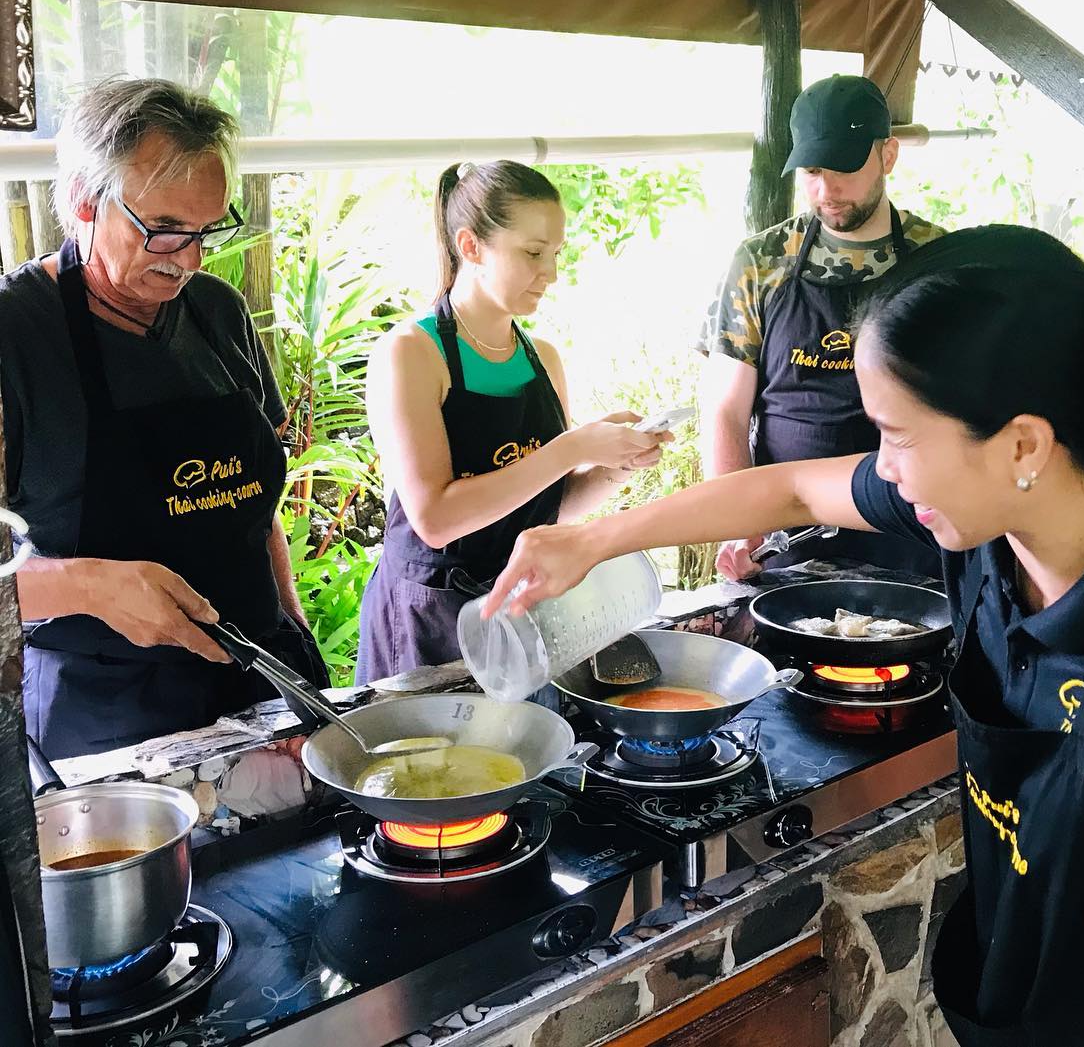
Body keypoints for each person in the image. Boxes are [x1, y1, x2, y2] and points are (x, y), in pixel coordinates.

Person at [484, 226, 1084, 1045]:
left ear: (1024, 443)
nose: (883, 470)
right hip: (1031, 1007)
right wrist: (592, 538)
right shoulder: (990, 526)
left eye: (898, 435)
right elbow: (786, 486)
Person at [1, 78, 328, 759]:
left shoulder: (218, 311)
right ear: (83, 201)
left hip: (257, 687)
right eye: (164, 231)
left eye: (207, 230)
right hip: (106, 719)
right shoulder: (16, 334)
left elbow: (255, 505)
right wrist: (89, 584)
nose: (189, 259)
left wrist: (290, 625)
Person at [355, 161, 666, 684]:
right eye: (532, 253)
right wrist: (572, 447)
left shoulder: (541, 356)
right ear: (471, 246)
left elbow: (551, 508)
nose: (551, 272)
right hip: (429, 616)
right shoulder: (410, 352)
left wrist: (618, 466)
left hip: (519, 606)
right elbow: (434, 518)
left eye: (555, 254)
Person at [696, 74, 945, 581]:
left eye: (844, 169)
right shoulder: (760, 262)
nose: (825, 189)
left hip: (911, 525)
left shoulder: (938, 261)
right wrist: (738, 521)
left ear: (888, 155)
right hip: (787, 534)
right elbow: (724, 409)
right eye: (811, 171)